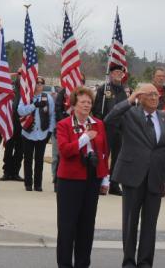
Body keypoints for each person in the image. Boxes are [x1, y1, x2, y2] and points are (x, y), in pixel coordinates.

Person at [105, 83, 165, 268]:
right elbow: (109, 119)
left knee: (149, 225)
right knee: (130, 223)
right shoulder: (130, 114)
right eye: (149, 94)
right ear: (140, 97)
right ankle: (128, 262)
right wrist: (130, 99)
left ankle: (145, 263)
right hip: (132, 176)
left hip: (156, 179)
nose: (154, 97)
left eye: (156, 94)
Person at [56, 86, 109, 268]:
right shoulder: (64, 124)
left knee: (87, 226)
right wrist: (84, 138)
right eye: (83, 102)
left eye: (89, 102)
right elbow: (64, 151)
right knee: (67, 226)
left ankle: (82, 264)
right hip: (70, 181)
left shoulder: (98, 124)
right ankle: (64, 264)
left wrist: (105, 178)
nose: (87, 105)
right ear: (74, 105)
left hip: (92, 179)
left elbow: (103, 152)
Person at [93, 64, 128, 196]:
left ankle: (114, 184)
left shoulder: (124, 91)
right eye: (116, 72)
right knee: (103, 156)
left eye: (121, 73)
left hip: (120, 129)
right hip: (106, 128)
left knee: (118, 158)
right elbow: (96, 110)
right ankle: (100, 183)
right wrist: (100, 124)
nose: (119, 74)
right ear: (111, 74)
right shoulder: (104, 89)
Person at [18, 76, 55, 191]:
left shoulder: (47, 97)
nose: (38, 85)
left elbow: (52, 115)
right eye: (36, 83)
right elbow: (20, 111)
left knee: (39, 160)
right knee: (28, 159)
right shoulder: (26, 97)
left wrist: (50, 130)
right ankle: (28, 183)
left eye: (41, 83)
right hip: (28, 133)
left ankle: (38, 184)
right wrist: (34, 105)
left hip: (42, 134)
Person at [52, 73, 86, 192]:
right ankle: (57, 181)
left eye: (82, 81)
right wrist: (65, 124)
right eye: (78, 80)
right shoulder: (63, 93)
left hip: (80, 129)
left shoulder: (84, 96)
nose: (79, 82)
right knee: (59, 157)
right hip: (65, 128)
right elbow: (57, 109)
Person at [1, 70, 24, 181]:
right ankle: (6, 172)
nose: (21, 76)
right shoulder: (10, 86)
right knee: (8, 149)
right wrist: (11, 75)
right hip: (10, 122)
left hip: (23, 123)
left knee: (20, 150)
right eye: (19, 73)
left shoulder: (28, 88)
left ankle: (15, 172)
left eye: (23, 74)